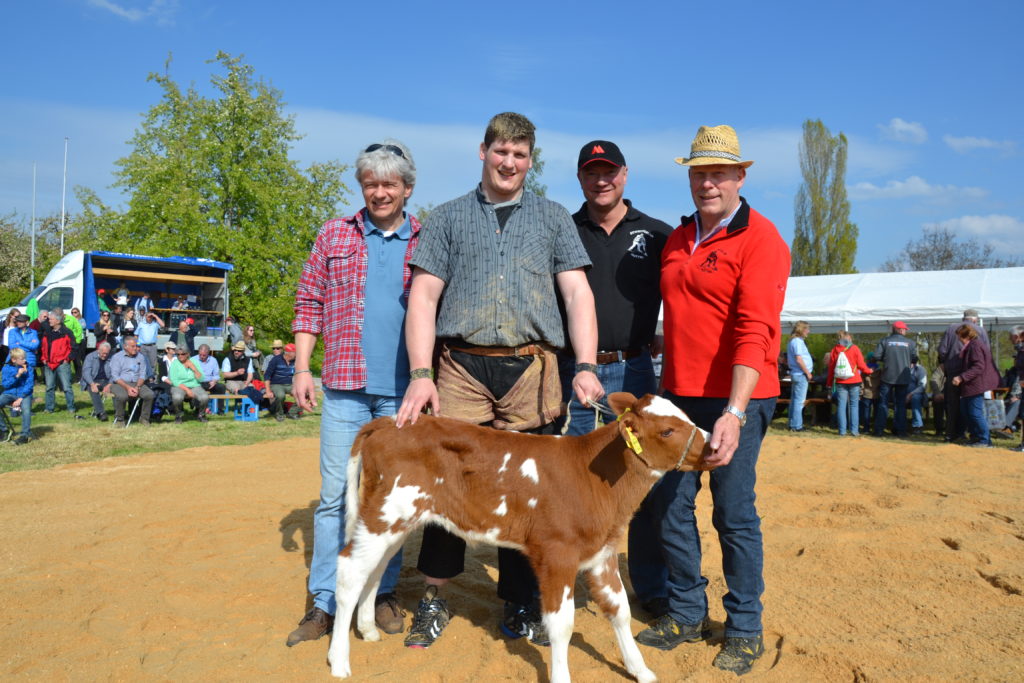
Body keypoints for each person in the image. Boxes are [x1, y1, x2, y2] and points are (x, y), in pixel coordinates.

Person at [395, 112, 600, 650]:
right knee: (448, 485)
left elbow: (578, 295)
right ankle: (434, 598)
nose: (510, 163)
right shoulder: (446, 218)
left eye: (520, 154)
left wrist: (585, 364)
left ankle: (520, 603)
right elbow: (423, 298)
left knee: (529, 494)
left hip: (533, 369)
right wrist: (421, 373)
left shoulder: (554, 219)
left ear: (530, 160)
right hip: (461, 367)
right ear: (482, 151)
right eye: (501, 151)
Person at [635, 124, 790, 676]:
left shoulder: (762, 240)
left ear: (740, 177)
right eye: (699, 172)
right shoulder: (678, 239)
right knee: (670, 506)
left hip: (736, 398)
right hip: (679, 394)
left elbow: (756, 330)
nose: (707, 183)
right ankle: (686, 611)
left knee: (733, 511)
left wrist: (734, 410)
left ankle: (745, 626)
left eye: (718, 173)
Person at [287, 139, 423, 647]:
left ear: (407, 188)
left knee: (390, 500)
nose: (380, 192)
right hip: (343, 386)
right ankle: (323, 602)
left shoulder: (426, 240)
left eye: (389, 183)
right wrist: (303, 367)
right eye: (371, 183)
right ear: (361, 186)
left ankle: (383, 593)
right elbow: (309, 302)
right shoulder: (333, 235)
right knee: (333, 499)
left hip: (401, 393)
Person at [556, 139, 673, 618]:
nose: (601, 180)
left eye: (609, 171)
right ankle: (572, 588)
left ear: (625, 174)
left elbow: (681, 296)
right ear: (580, 178)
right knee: (575, 483)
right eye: (591, 172)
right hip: (574, 372)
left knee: (641, 482)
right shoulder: (562, 230)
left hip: (635, 367)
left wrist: (663, 335)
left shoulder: (658, 234)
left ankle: (651, 586)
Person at [937, 309, 990, 443]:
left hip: (953, 372)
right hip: (972, 374)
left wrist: (945, 364)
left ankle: (950, 434)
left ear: (963, 318)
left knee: (952, 405)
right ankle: (970, 434)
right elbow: (986, 353)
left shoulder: (951, 328)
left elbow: (942, 350)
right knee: (970, 406)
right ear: (975, 319)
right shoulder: (981, 331)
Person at [950, 324, 1000, 447]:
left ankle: (985, 440)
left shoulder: (975, 345)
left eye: (959, 337)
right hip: (971, 385)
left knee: (975, 413)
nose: (958, 340)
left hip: (977, 384)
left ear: (965, 336)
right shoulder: (972, 345)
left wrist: (961, 377)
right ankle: (976, 437)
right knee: (966, 411)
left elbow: (979, 366)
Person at [872, 321, 917, 437]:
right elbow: (915, 358)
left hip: (887, 376)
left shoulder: (884, 341)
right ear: (900, 330)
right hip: (903, 377)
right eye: (905, 329)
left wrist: (886, 359)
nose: (906, 331)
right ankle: (901, 431)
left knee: (883, 403)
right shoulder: (911, 343)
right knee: (900, 404)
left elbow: (876, 356)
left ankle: (879, 430)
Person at [825, 330, 872, 436]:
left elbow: (831, 368)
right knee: (854, 405)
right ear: (849, 338)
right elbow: (861, 365)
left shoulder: (835, 350)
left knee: (841, 405)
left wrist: (829, 383)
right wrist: (869, 371)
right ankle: (854, 431)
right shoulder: (854, 348)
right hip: (854, 380)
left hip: (841, 381)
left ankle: (842, 431)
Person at [107, 336, 154, 427]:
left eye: (136, 346)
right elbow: (115, 377)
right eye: (132, 346)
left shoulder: (140, 357)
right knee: (122, 396)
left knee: (149, 395)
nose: (135, 348)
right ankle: (120, 419)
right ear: (125, 346)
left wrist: (137, 387)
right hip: (120, 383)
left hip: (137, 383)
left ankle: (144, 418)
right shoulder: (117, 357)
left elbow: (142, 374)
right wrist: (128, 388)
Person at [40, 310, 79, 416]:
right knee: (49, 387)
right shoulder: (47, 332)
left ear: (58, 321)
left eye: (51, 319)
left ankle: (71, 408)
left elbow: (74, 348)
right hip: (49, 363)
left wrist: (67, 359)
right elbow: (43, 347)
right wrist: (43, 358)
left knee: (66, 387)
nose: (49, 321)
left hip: (62, 363)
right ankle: (49, 408)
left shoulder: (67, 332)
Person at [0, 347, 33, 445]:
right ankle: (4, 430)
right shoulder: (6, 368)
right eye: (22, 359)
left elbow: (29, 385)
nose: (25, 360)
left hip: (24, 394)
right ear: (14, 359)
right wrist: (17, 376)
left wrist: (20, 398)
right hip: (9, 393)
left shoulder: (28, 367)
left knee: (26, 410)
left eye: (25, 358)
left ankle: (24, 435)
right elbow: (5, 385)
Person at [168, 346, 209, 423]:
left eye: (183, 354)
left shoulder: (194, 362)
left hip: (194, 385)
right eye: (178, 354)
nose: (180, 356)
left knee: (205, 397)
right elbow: (174, 381)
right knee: (177, 397)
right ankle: (178, 415)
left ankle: (201, 415)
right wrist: (187, 390)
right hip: (179, 386)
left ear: (188, 354)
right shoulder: (175, 363)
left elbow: (201, 378)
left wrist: (193, 368)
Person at [786, 321, 813, 432]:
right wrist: (807, 372)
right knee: (799, 401)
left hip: (797, 374)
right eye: (807, 329)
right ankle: (797, 426)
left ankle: (792, 423)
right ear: (802, 329)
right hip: (801, 374)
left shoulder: (794, 341)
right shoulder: (797, 341)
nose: (808, 331)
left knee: (795, 400)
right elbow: (799, 358)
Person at [264, 342, 296, 422]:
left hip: (290, 384)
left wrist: (296, 387)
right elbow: (267, 375)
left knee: (303, 393)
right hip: (276, 384)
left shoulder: (296, 361)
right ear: (290, 353)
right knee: (280, 396)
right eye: (296, 352)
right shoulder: (276, 359)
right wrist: (268, 390)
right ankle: (279, 414)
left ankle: (292, 412)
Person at [82, 342, 113, 421]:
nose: (105, 355)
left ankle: (120, 413)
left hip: (107, 381)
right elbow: (86, 372)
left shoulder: (112, 358)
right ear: (98, 350)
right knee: (94, 390)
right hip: (93, 380)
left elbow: (115, 373)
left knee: (117, 390)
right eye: (103, 353)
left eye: (107, 353)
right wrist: (92, 384)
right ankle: (101, 413)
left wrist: (109, 385)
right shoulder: (90, 357)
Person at [135, 309, 165, 373]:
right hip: (142, 346)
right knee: (143, 362)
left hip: (152, 346)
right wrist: (137, 345)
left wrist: (155, 316)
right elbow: (136, 335)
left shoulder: (155, 324)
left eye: (151, 316)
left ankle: (151, 377)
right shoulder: (141, 324)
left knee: (152, 363)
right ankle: (143, 376)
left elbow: (163, 325)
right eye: (148, 316)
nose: (150, 318)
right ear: (145, 316)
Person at [907, 355, 927, 434]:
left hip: (918, 393)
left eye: (912, 362)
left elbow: (922, 386)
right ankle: (899, 425)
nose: (911, 364)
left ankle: (917, 426)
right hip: (904, 393)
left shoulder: (921, 370)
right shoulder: (904, 369)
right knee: (897, 397)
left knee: (915, 398)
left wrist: (910, 394)